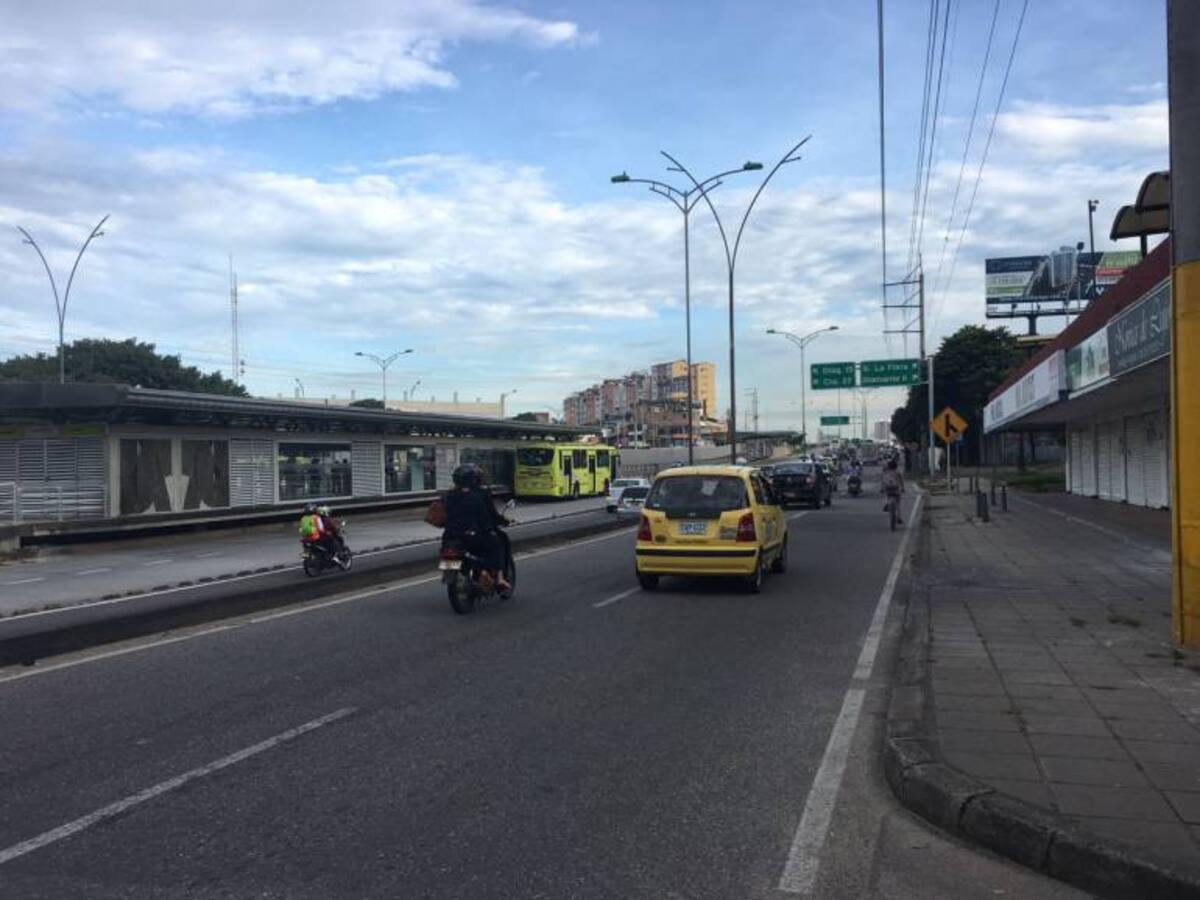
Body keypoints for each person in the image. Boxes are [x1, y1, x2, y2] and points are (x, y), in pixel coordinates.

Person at [444, 463, 511, 591]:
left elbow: (441, 516)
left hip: (450, 535)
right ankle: (498, 578)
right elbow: (490, 515)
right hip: (474, 535)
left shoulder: (448, 495)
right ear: (474, 479)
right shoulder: (480, 494)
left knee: (448, 550)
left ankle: (450, 575)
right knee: (497, 544)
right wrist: (502, 521)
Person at [881, 458, 905, 524]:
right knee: (898, 504)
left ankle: (886, 503)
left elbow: (883, 481)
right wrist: (903, 488)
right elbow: (901, 482)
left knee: (886, 495)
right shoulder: (898, 473)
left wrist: (882, 488)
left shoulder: (886, 472)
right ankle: (899, 517)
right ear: (896, 466)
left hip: (888, 488)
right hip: (896, 489)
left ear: (888, 466)